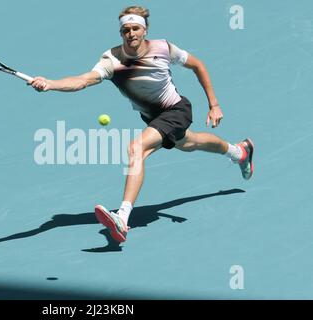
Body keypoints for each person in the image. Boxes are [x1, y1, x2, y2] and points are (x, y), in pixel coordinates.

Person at [28, 6, 254, 243]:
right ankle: (239, 151)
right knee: (190, 142)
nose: (131, 33)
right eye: (126, 30)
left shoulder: (163, 48)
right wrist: (51, 83)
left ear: (144, 30)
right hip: (153, 118)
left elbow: (198, 65)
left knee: (136, 148)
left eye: (135, 28)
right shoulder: (112, 60)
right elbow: (83, 80)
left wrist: (214, 104)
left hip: (176, 110)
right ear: (121, 33)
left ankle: (122, 218)